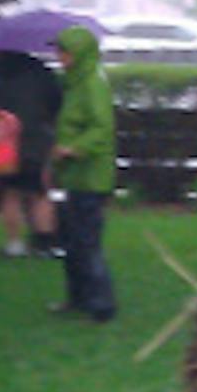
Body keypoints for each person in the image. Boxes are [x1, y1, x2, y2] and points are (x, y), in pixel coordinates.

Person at [48, 24, 118, 322]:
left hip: (91, 175)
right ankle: (78, 298)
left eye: (64, 51)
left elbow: (102, 128)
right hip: (75, 175)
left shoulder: (93, 84)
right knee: (72, 240)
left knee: (87, 241)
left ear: (78, 53)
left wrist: (73, 148)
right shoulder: (75, 82)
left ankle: (102, 303)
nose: (59, 57)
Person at [0, 46, 63, 258]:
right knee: (40, 191)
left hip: (5, 140)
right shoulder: (41, 71)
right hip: (37, 139)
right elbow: (57, 102)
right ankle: (44, 242)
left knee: (10, 193)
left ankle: (14, 243)